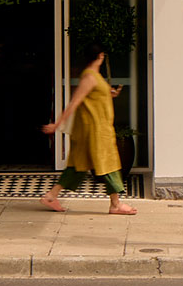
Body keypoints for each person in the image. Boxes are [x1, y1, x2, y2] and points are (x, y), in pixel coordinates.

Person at [41, 45, 134, 214]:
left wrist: (109, 93)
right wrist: (57, 125)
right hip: (93, 131)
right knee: (108, 164)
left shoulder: (95, 77)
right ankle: (115, 204)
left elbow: (95, 96)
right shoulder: (89, 77)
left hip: (97, 129)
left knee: (78, 166)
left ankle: (51, 196)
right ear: (100, 56)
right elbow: (74, 103)